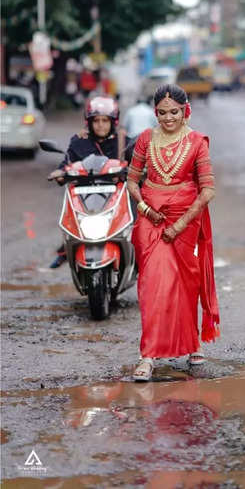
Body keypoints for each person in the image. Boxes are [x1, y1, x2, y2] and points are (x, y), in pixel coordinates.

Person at [126, 84, 219, 381]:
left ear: (185, 110)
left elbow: (207, 191)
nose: (168, 118)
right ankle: (148, 356)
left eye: (174, 112)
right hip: (150, 220)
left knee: (186, 284)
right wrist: (145, 209)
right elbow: (131, 182)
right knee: (151, 285)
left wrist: (179, 225)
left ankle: (192, 343)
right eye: (163, 112)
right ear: (155, 112)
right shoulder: (144, 139)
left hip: (185, 221)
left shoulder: (196, 142)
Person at [48, 96, 131, 268]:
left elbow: (138, 160)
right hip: (85, 194)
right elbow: (67, 162)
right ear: (89, 122)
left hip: (116, 194)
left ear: (112, 122)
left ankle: (140, 258)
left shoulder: (123, 141)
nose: (101, 125)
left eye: (105, 120)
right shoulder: (79, 142)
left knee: (138, 225)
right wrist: (60, 172)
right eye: (96, 120)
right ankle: (66, 249)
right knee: (71, 221)